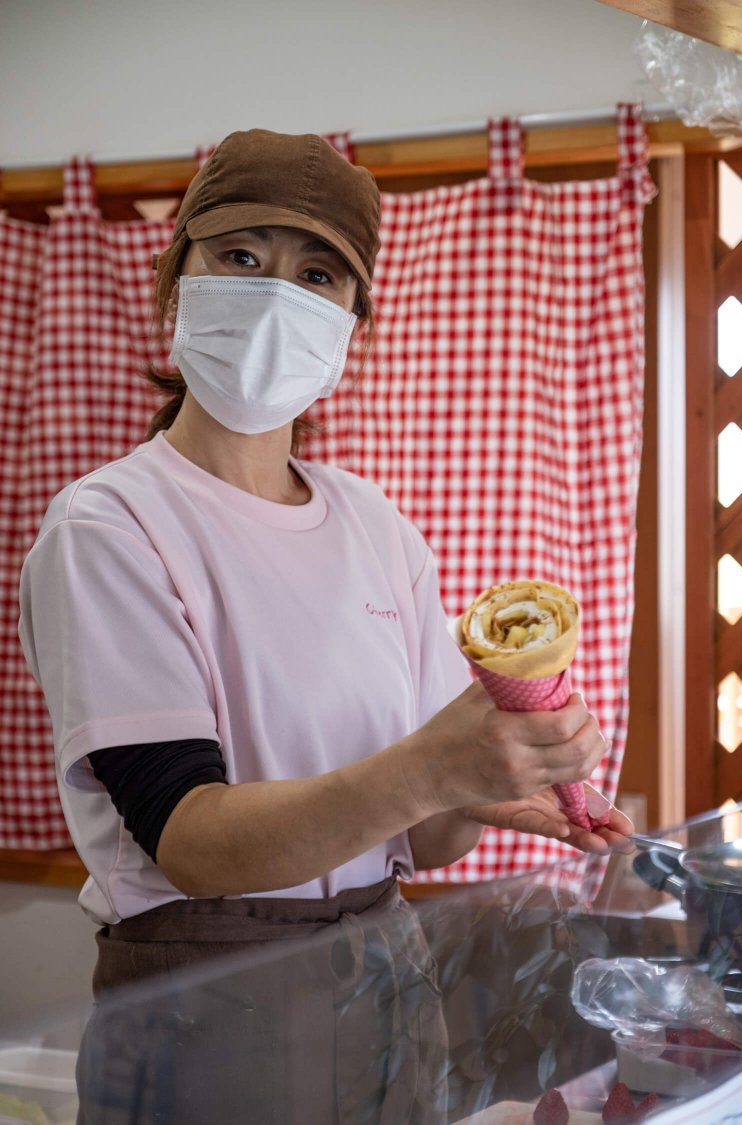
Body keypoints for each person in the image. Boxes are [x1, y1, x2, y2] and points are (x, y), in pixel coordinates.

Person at [18, 128, 633, 1124]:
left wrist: (487, 783)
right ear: (176, 280)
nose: (275, 296)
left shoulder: (374, 525)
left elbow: (420, 837)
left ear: (353, 322)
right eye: (240, 256)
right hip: (205, 1009)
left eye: (317, 274)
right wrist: (432, 767)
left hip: (385, 982)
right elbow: (190, 841)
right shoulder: (111, 525)